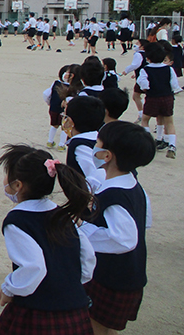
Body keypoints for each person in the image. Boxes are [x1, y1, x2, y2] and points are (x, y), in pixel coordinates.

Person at [0, 145, 95, 335]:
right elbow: (87, 256)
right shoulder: (62, 214)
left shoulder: (17, 221)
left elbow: (34, 266)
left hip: (38, 311)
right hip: (74, 308)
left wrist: (9, 288)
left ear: (18, 185)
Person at [80, 121, 154, 335]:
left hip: (112, 279)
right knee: (103, 327)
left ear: (107, 155)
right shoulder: (129, 183)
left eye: (98, 143)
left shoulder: (114, 196)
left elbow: (123, 239)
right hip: (123, 277)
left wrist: (83, 231)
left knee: (94, 327)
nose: (95, 146)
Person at [137, 42, 178, 158]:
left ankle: (147, 143)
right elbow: (174, 84)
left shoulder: (145, 70)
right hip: (167, 97)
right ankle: (172, 146)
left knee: (145, 120)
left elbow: (143, 85)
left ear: (148, 58)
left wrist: (147, 89)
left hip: (152, 97)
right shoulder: (169, 69)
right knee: (169, 122)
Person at [62, 96, 104, 178]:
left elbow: (96, 176)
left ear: (70, 121)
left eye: (65, 116)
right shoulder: (100, 138)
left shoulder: (80, 146)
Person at [43, 65, 71, 149]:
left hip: (54, 108)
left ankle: (50, 141)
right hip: (64, 111)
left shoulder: (56, 83)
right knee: (64, 128)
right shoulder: (71, 87)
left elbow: (46, 94)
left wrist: (49, 103)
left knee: (54, 125)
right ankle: (61, 145)